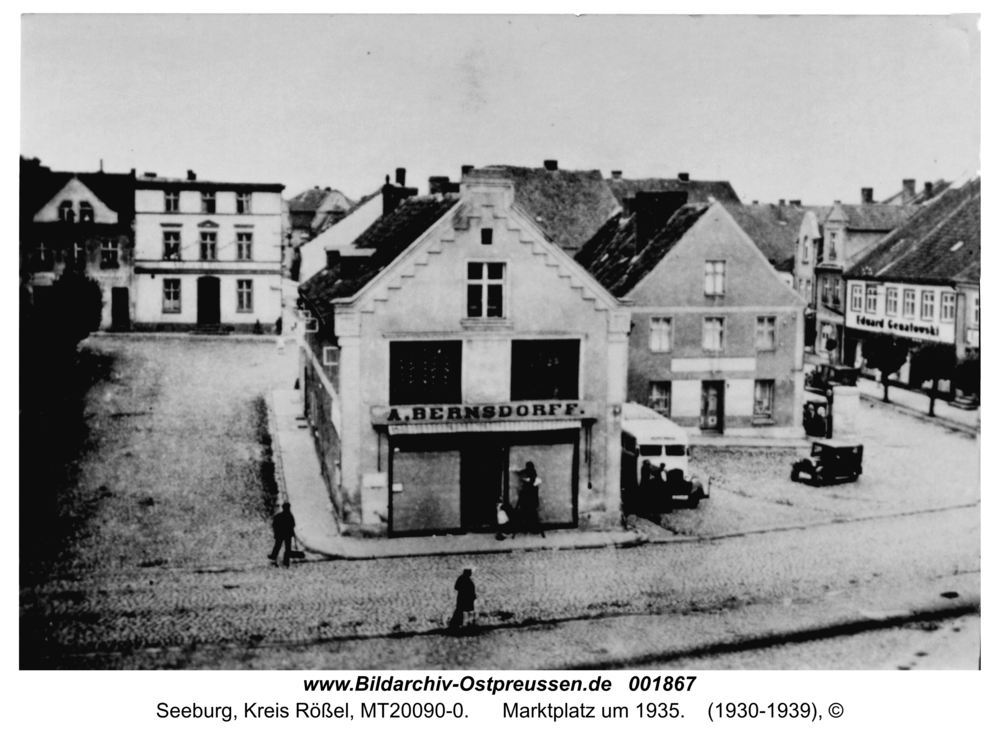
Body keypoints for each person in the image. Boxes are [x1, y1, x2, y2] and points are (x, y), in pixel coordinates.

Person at [516, 461, 544, 538]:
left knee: (532, 514)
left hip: (530, 497)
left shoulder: (532, 474)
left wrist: (525, 479)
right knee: (530, 514)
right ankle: (530, 528)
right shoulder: (530, 472)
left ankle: (532, 528)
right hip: (529, 497)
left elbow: (531, 480)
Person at [268, 502, 296, 567]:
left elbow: (274, 525)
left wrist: (276, 532)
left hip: (280, 534)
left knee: (278, 545)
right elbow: (293, 525)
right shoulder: (290, 515)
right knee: (287, 548)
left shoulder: (278, 515)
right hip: (287, 534)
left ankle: (274, 556)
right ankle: (286, 561)